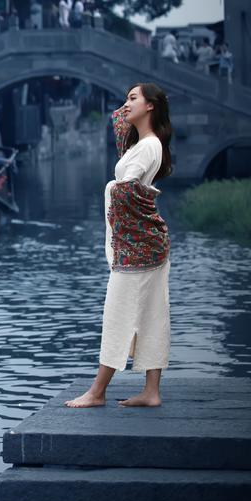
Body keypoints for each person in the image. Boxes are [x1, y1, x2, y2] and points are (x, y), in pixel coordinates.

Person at [66, 83, 173, 409]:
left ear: (151, 105)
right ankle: (151, 391)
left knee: (117, 314)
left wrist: (113, 187)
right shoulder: (141, 144)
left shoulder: (149, 146)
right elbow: (119, 122)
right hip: (147, 244)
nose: (125, 105)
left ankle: (97, 391)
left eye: (132, 99)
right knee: (153, 315)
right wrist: (127, 110)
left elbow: (127, 190)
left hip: (137, 247)